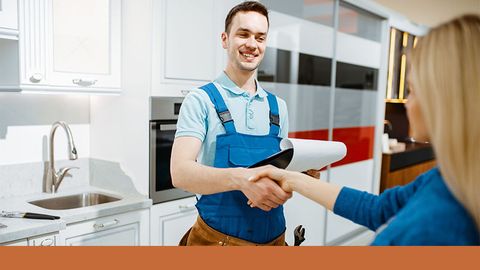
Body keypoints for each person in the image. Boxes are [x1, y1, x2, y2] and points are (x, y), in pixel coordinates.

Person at [249, 14, 480, 245]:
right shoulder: (444, 180)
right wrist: (293, 179)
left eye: (411, 90)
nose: (408, 102)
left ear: (443, 99)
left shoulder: (441, 225)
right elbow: (377, 209)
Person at [171, 1, 292, 246]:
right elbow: (180, 173)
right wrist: (241, 180)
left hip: (276, 240)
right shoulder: (201, 100)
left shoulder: (278, 107)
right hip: (218, 242)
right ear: (225, 39)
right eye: (243, 34)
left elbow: (279, 170)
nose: (252, 44)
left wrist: (294, 180)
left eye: (260, 37)